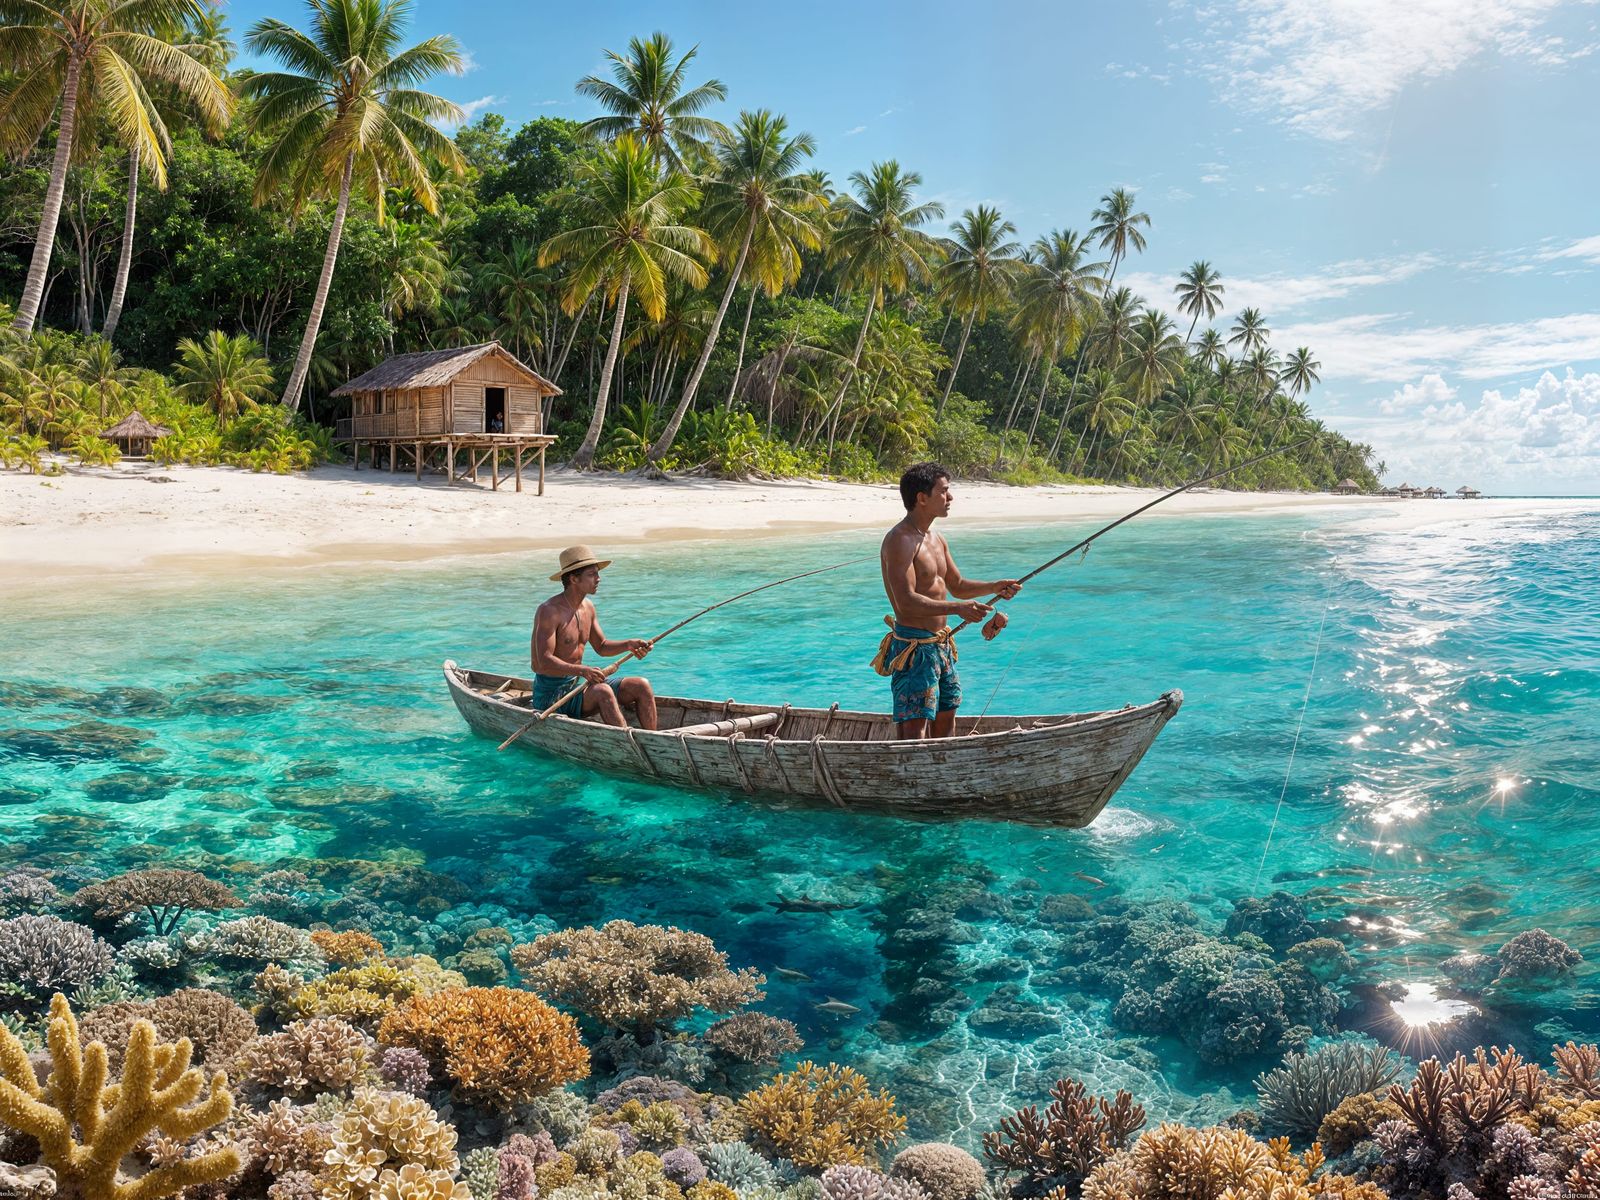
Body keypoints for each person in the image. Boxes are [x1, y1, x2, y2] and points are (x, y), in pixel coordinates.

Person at [875, 463, 1021, 740]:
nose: (950, 498)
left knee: (947, 711)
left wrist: (995, 586)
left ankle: (943, 770)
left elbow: (957, 585)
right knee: (914, 724)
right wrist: (958, 609)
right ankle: (915, 776)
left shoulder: (936, 538)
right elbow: (905, 602)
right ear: (922, 498)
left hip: (940, 645)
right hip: (915, 648)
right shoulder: (899, 540)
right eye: (944, 491)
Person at [531, 546, 658, 729]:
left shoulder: (588, 607)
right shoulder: (549, 611)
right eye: (592, 575)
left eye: (597, 574)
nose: (598, 579)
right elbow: (541, 663)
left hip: (579, 686)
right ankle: (629, 748)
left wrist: (629, 644)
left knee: (641, 685)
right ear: (574, 579)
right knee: (603, 691)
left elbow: (602, 646)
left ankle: (653, 742)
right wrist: (583, 670)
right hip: (553, 695)